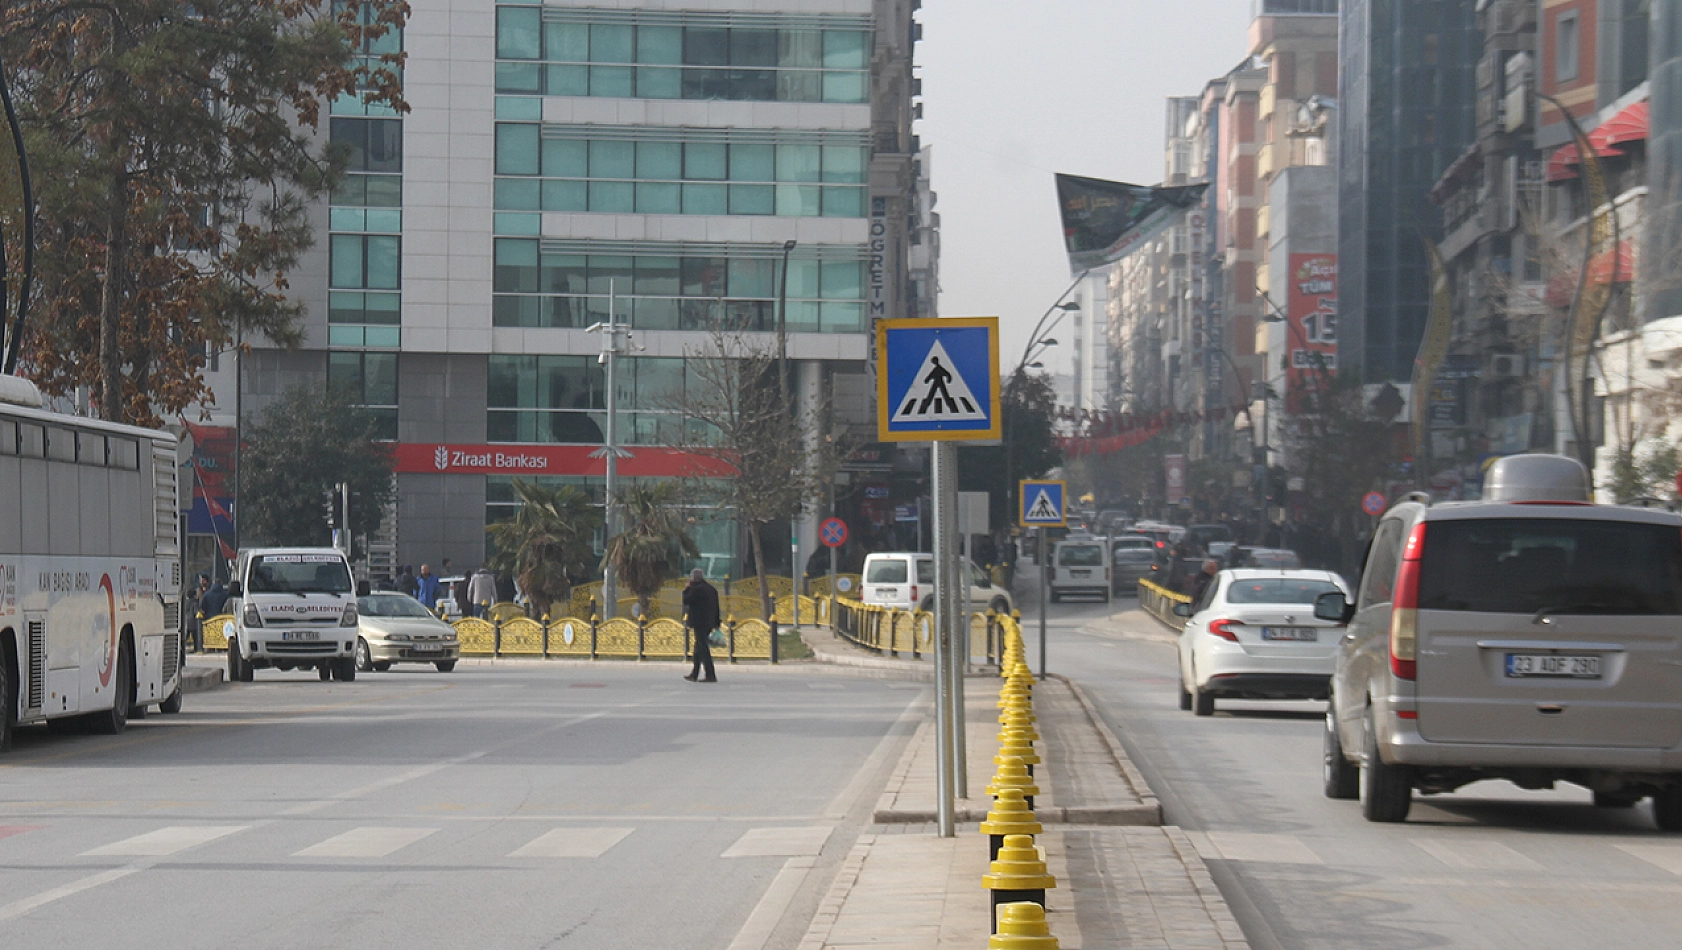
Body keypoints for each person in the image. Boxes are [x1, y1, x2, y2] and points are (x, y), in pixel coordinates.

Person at [681, 568, 720, 683]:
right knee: (698, 648)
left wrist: (687, 588)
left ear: (694, 578)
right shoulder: (711, 589)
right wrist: (717, 622)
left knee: (703, 648)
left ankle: (710, 674)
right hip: (709, 622)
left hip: (699, 622)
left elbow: (686, 600)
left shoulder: (697, 590)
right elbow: (716, 607)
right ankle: (694, 673)